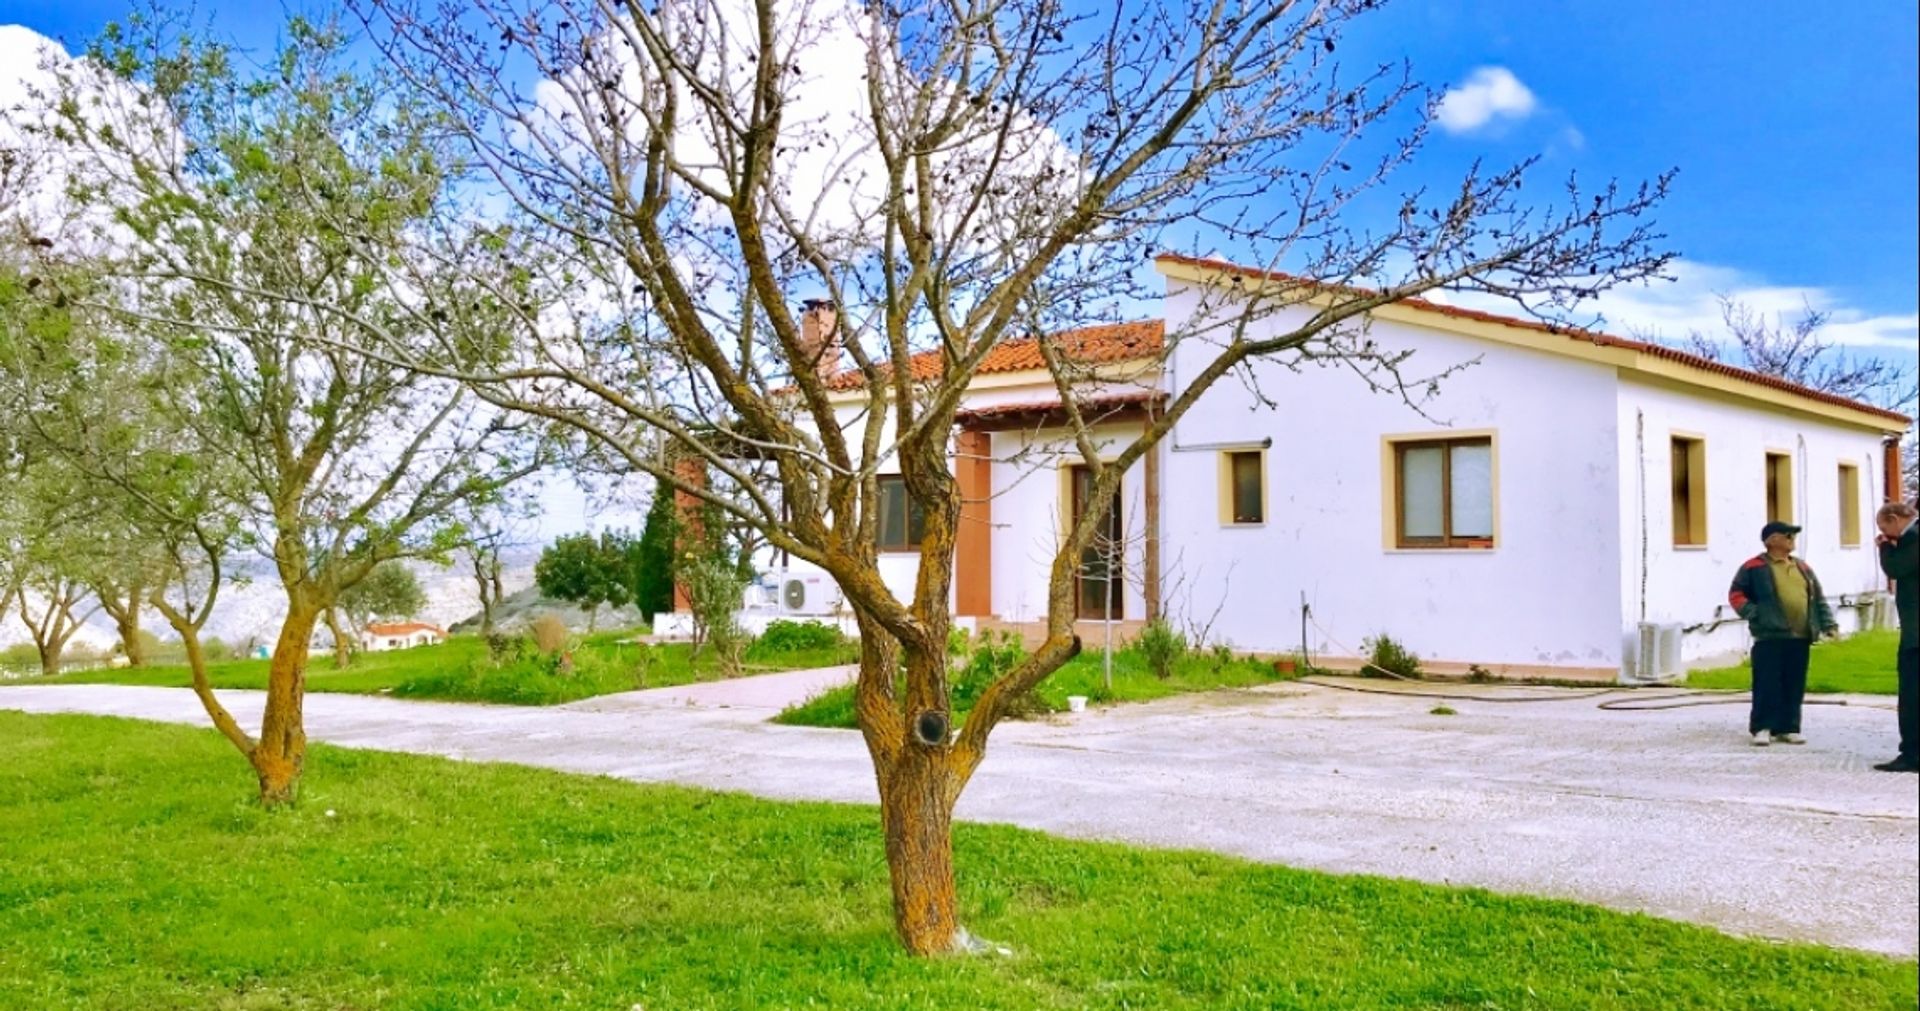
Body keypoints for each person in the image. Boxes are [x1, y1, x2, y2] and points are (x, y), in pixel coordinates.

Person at [1728, 521, 1839, 746]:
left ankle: (1789, 727)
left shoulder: (1802, 567)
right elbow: (1736, 594)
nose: (1792, 540)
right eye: (1788, 536)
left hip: (1800, 636)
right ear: (1772, 540)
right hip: (1769, 636)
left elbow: (1818, 598)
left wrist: (1829, 625)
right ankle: (1762, 727)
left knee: (1794, 682)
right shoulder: (1753, 567)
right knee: (1767, 682)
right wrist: (1755, 614)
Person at [1872, 501, 1918, 773]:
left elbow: (1897, 569)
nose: (1886, 533)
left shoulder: (1913, 537)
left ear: (1894, 518)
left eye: (1884, 527)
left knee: (1912, 696)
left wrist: (1885, 547)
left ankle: (1912, 753)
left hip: (1916, 635)